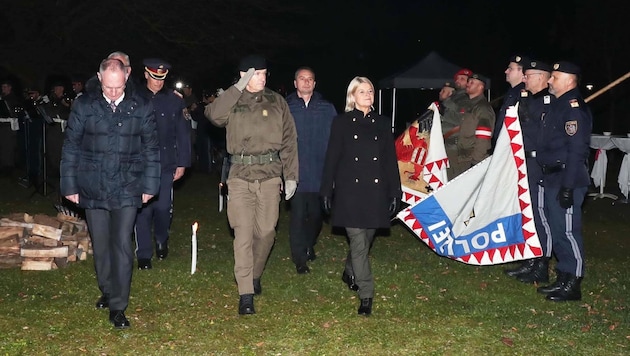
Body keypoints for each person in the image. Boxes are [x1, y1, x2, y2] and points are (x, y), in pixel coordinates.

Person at [60, 58, 160, 328]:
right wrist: (70, 185)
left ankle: (118, 306)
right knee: (101, 244)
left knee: (122, 244)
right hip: (93, 184)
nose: (113, 92)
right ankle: (107, 288)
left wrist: (150, 186)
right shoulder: (84, 105)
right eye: (108, 87)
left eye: (118, 87)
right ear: (99, 78)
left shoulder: (141, 106)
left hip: (128, 185)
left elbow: (151, 148)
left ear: (126, 78)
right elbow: (71, 146)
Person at [205, 55, 298, 315]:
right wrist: (237, 87)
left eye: (265, 73)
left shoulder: (277, 101)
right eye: (257, 74)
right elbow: (213, 115)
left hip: (269, 174)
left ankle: (255, 274)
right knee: (242, 233)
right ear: (245, 74)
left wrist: (291, 176)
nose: (263, 78)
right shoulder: (233, 100)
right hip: (239, 175)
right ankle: (246, 293)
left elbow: (290, 140)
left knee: (267, 232)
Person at [320, 76, 401, 316]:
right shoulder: (341, 123)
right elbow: (332, 158)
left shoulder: (383, 123)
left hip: (375, 192)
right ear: (352, 96)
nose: (368, 95)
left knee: (364, 242)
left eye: (371, 91)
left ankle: (349, 269)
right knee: (358, 242)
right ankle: (366, 294)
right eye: (362, 91)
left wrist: (395, 192)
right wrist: (326, 190)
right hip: (350, 193)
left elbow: (389, 160)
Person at [535, 61, 591, 302]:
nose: (549, 80)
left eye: (554, 77)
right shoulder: (558, 106)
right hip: (552, 176)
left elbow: (577, 150)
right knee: (557, 230)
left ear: (569, 80)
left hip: (567, 177)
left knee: (567, 231)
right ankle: (563, 277)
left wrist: (568, 186)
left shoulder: (573, 108)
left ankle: (573, 281)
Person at [135, 58, 191, 270]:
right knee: (142, 209)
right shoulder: (135, 97)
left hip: (166, 162)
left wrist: (183, 162)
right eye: (155, 77)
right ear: (147, 74)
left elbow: (182, 133)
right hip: (140, 162)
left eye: (162, 78)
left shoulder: (174, 100)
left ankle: (161, 238)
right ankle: (144, 254)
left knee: (163, 207)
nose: (158, 82)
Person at [503, 60, 554, 283]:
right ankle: (530, 259)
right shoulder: (527, 98)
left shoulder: (549, 101)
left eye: (530, 75)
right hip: (522, 162)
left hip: (536, 164)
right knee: (526, 212)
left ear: (543, 77)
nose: (525, 78)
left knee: (538, 215)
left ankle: (540, 263)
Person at [286, 67, 337, 274]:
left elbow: (336, 139)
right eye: (302, 78)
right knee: (298, 216)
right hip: (295, 173)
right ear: (295, 82)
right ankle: (300, 258)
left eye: (310, 79)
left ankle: (308, 243)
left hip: (320, 172)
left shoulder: (326, 108)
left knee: (317, 216)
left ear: (314, 84)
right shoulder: (286, 107)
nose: (306, 82)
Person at [450, 73, 495, 176]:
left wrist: (476, 162)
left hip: (470, 160)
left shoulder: (482, 108)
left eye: (472, 82)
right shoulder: (468, 106)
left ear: (481, 87)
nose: (468, 84)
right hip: (460, 158)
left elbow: (483, 138)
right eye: (468, 82)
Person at [440, 68, 473, 178]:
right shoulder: (455, 97)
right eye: (457, 79)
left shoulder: (467, 98)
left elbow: (462, 119)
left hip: (457, 147)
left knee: (457, 178)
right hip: (449, 145)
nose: (458, 81)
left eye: (463, 79)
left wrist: (447, 102)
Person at [491, 54, 528, 150]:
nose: (506, 71)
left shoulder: (525, 96)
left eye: (510, 69)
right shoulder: (510, 93)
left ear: (522, 73)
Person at [0, 79, 20, 176]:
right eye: (2, 87)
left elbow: (14, 112)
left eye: (5, 87)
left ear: (9, 88)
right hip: (2, 124)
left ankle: (8, 167)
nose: (3, 89)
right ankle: (4, 165)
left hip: (9, 125)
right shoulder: (3, 97)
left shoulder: (13, 98)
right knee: (3, 146)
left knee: (8, 147)